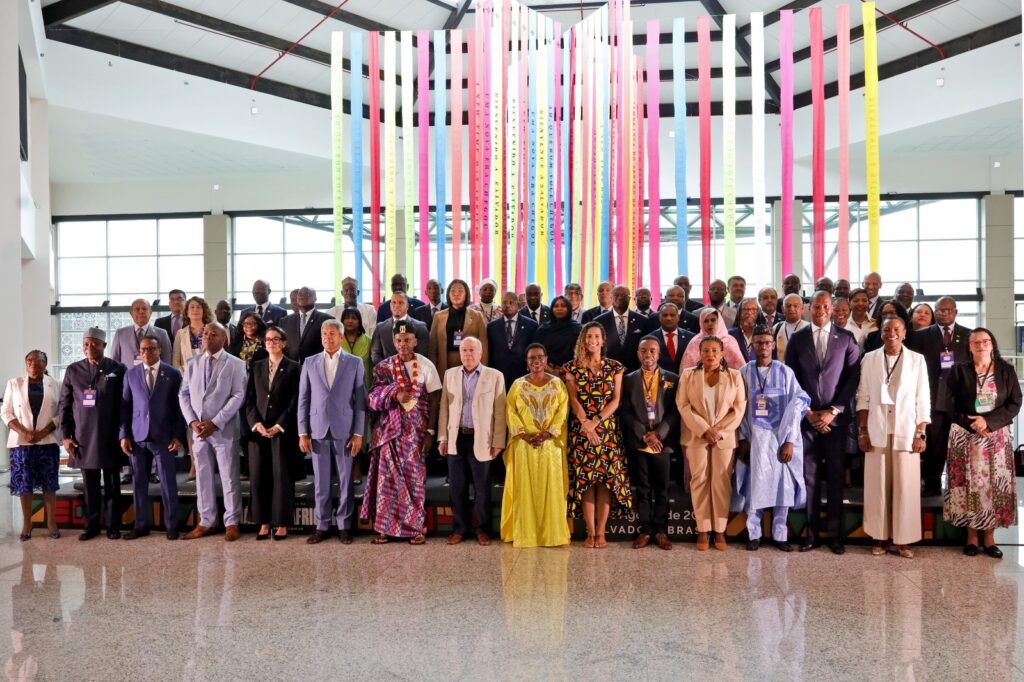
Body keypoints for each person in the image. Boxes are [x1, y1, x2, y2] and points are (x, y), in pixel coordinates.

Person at [784, 291, 861, 554]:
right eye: (816, 306)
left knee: (836, 477)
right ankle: (812, 535)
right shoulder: (798, 339)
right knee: (811, 478)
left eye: (826, 306)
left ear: (833, 309)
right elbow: (791, 379)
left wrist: (833, 411)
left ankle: (836, 536)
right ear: (809, 308)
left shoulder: (846, 338)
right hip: (807, 421)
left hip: (835, 422)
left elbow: (852, 379)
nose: (821, 311)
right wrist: (807, 412)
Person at [941, 327, 1022, 559]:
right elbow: (948, 402)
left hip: (996, 438)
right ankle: (971, 538)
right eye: (976, 342)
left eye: (985, 341)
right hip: (965, 437)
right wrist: (972, 423)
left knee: (994, 488)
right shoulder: (958, 371)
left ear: (992, 343)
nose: (981, 345)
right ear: (969, 347)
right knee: (969, 486)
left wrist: (988, 422)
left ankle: (989, 538)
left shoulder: (1006, 370)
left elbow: (1015, 402)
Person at [361, 321, 442, 544]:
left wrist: (430, 432)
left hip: (416, 433)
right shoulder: (384, 367)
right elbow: (372, 398)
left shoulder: (426, 365)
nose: (403, 344)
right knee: (386, 482)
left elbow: (434, 400)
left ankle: (416, 528)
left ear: (415, 341)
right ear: (393, 342)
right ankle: (385, 529)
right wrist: (394, 394)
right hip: (389, 433)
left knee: (414, 481)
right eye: (398, 340)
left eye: (407, 340)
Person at [856, 317, 930, 559]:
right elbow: (863, 397)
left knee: (906, 487)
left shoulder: (917, 360)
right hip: (876, 429)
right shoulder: (869, 359)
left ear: (905, 333)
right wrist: (863, 431)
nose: (891, 333)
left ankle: (903, 540)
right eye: (887, 329)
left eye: (897, 329)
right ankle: (879, 536)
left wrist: (921, 433)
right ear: (881, 333)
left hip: (906, 431)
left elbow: (923, 399)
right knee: (877, 486)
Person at [736, 326, 810, 552]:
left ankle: (780, 535)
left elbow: (799, 403)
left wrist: (790, 440)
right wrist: (743, 439)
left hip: (780, 440)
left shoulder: (785, 372)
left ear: (774, 345)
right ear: (752, 346)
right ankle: (754, 534)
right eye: (759, 342)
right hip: (755, 440)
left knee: (782, 488)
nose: (763, 347)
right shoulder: (744, 372)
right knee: (755, 487)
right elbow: (738, 408)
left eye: (767, 342)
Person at [563, 322, 632, 548]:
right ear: (583, 340)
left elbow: (616, 400)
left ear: (603, 340)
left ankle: (601, 532)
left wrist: (596, 422)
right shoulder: (572, 367)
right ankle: (590, 533)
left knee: (605, 482)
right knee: (586, 482)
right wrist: (586, 424)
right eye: (588, 336)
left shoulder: (615, 367)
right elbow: (573, 399)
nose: (592, 340)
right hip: (582, 431)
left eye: (596, 336)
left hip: (607, 431)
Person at [297, 319, 366, 545]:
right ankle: (322, 525)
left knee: (346, 481)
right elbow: (303, 399)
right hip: (317, 429)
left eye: (332, 333)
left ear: (341, 336)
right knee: (321, 481)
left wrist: (358, 433)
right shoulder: (309, 362)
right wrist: (302, 432)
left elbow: (360, 401)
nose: (327, 337)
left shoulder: (355, 362)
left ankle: (345, 526)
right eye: (324, 333)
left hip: (345, 429)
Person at [179, 323, 247, 541]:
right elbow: (183, 394)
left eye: (213, 334)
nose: (207, 337)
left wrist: (216, 422)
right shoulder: (192, 363)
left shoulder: (236, 364)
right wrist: (192, 422)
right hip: (199, 431)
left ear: (224, 339)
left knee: (229, 477)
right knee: (202, 477)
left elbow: (238, 395)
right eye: (205, 333)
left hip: (223, 430)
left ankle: (232, 522)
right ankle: (206, 521)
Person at [677, 336, 746, 551]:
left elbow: (739, 408)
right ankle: (703, 530)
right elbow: (683, 404)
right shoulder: (688, 375)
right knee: (699, 480)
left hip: (723, 438)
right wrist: (704, 429)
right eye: (706, 350)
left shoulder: (734, 376)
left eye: (715, 350)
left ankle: (720, 530)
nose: (710, 354)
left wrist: (718, 431)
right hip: (696, 435)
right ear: (700, 353)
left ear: (722, 353)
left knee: (721, 482)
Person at [500, 343, 571, 548]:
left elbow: (563, 412)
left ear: (546, 360)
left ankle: (552, 536)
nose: (536, 361)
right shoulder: (517, 385)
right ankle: (526, 535)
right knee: (524, 490)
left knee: (551, 491)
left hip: (550, 446)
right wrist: (524, 434)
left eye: (540, 357)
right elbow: (510, 411)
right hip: (524, 446)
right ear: (526, 361)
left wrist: (548, 433)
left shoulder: (558, 384)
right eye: (532, 358)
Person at [59, 328, 127, 540]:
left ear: (104, 345)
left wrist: (124, 433)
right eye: (86, 344)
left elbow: (124, 404)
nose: (89, 347)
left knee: (113, 483)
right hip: (83, 437)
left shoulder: (117, 368)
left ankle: (113, 526)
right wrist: (66, 436)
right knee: (90, 485)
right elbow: (64, 405)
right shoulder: (73, 370)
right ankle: (91, 526)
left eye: (94, 344)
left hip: (110, 435)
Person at [438, 337, 507, 545]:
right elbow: (444, 408)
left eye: (472, 350)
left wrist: (498, 441)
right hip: (456, 438)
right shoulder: (450, 374)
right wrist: (442, 438)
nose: (467, 354)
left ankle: (481, 529)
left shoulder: (495, 376)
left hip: (482, 440)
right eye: (464, 350)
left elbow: (500, 412)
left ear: (481, 353)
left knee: (482, 488)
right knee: (457, 488)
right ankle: (459, 529)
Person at [118, 335, 185, 540]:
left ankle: (172, 525)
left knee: (168, 483)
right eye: (143, 349)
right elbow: (125, 406)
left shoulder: (172, 374)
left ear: (159, 350)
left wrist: (178, 435)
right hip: (138, 437)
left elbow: (179, 408)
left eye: (151, 349)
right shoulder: (131, 374)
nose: (146, 353)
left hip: (164, 436)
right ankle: (141, 525)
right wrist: (124, 435)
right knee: (139, 483)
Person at [621, 337, 679, 550]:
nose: (648, 355)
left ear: (658, 354)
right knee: (643, 488)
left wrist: (659, 434)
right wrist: (645, 435)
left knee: (662, 488)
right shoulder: (628, 379)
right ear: (638, 353)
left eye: (652, 351)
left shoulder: (672, 378)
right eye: (644, 350)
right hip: (639, 442)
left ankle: (661, 531)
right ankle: (645, 530)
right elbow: (625, 411)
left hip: (662, 443)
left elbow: (675, 411)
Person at [245, 325, 301, 541]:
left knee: (281, 477)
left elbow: (296, 400)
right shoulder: (256, 366)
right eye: (268, 339)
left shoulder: (294, 367)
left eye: (276, 339)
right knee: (259, 476)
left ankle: (282, 523)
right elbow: (249, 400)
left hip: (282, 431)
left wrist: (280, 425)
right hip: (259, 432)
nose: (271, 342)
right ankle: (263, 522)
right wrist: (256, 424)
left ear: (284, 343)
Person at [914, 296, 971, 496]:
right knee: (935, 446)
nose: (944, 313)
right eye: (939, 310)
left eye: (948, 310)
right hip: (932, 398)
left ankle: (959, 487)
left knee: (959, 445)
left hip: (959, 400)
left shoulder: (968, 335)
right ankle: (932, 485)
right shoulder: (921, 336)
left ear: (955, 312)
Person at [2, 350, 61, 541]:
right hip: (22, 443)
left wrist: (43, 432)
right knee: (24, 484)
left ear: (45, 363)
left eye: (38, 361)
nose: (33, 364)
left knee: (49, 484)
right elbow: (6, 412)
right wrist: (25, 432)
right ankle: (27, 523)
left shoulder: (56, 384)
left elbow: (62, 412)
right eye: (29, 361)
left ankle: (51, 523)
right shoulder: (14, 383)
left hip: (47, 441)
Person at [429, 278, 489, 378]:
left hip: (470, 362)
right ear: (448, 294)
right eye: (453, 291)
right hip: (445, 362)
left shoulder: (477, 316)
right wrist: (432, 371)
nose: (456, 294)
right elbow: (433, 346)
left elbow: (484, 346)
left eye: (460, 291)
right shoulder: (438, 316)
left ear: (466, 294)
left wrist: (482, 370)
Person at [594, 285, 655, 373]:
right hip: (608, 371)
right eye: (616, 295)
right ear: (611, 298)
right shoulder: (599, 321)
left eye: (623, 295)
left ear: (629, 298)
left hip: (635, 372)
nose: (620, 297)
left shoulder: (643, 320)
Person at [489, 290, 539, 390]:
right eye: (504, 302)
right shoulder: (491, 327)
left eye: (511, 302)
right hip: (498, 375)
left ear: (518, 305)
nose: (507, 305)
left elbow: (534, 350)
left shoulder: (531, 325)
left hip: (523, 374)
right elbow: (490, 352)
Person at [370, 292, 430, 365]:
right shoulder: (380, 327)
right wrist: (389, 367)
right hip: (387, 370)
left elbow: (422, 354)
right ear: (390, 306)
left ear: (407, 306)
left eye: (401, 303)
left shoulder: (420, 327)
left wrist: (406, 368)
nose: (397, 306)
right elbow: (375, 354)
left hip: (413, 370)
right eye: (394, 303)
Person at [111, 299, 171, 366]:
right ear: (131, 313)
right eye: (137, 309)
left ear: (150, 312)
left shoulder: (162, 334)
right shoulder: (120, 334)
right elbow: (114, 361)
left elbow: (167, 360)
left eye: (144, 309)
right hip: (128, 372)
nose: (141, 311)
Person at [680, 308, 745, 370]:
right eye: (706, 321)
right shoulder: (694, 342)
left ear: (719, 321)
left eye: (713, 320)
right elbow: (685, 370)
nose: (709, 324)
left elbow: (740, 368)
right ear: (701, 323)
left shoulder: (730, 341)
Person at [280, 287, 333, 361]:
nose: (302, 296)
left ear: (315, 298)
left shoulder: (327, 320)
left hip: (317, 364)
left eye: (307, 294)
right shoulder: (285, 321)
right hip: (291, 366)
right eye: (300, 294)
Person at [535, 296, 583, 376]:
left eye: (563, 306)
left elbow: (582, 353)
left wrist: (564, 370)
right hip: (546, 372)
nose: (559, 308)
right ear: (551, 309)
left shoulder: (578, 329)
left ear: (569, 308)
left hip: (571, 373)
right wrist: (550, 370)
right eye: (556, 306)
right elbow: (536, 351)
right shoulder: (543, 329)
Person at [649, 303, 694, 374]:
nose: (668, 318)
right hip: (660, 378)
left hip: (685, 377)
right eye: (665, 315)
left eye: (672, 315)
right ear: (659, 317)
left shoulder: (691, 337)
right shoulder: (651, 339)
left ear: (678, 317)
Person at [171, 295, 213, 372]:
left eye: (198, 307)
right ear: (187, 312)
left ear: (204, 311)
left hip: (208, 374)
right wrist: (183, 376)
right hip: (185, 376)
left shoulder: (213, 331)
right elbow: (175, 360)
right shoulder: (180, 334)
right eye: (192, 307)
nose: (195, 309)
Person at [772, 293, 808, 359]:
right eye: (788, 306)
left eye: (795, 306)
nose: (791, 308)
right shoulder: (776, 328)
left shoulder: (809, 328)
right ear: (783, 309)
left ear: (802, 308)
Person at [728, 298, 760, 362]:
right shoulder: (730, 335)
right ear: (739, 313)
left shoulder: (763, 334)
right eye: (745, 309)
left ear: (757, 313)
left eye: (753, 309)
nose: (749, 312)